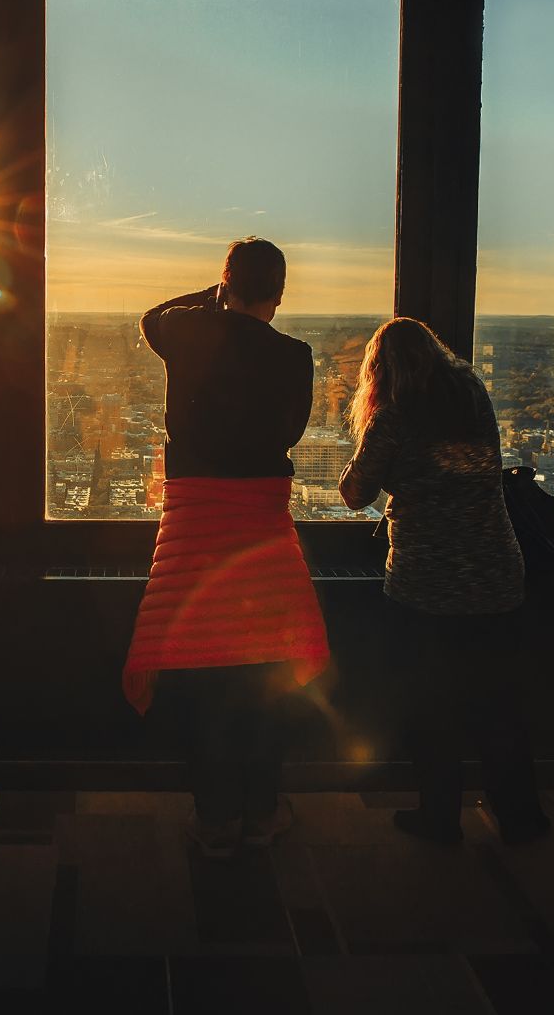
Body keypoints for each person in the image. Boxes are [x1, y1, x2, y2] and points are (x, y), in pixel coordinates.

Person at [121, 238, 330, 859]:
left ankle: (213, 820)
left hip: (194, 525)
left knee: (202, 673)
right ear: (280, 293)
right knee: (266, 672)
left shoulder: (192, 333)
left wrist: (213, 298)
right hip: (262, 524)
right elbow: (291, 432)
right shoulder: (295, 356)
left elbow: (151, 318)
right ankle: (263, 812)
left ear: (225, 283)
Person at [338, 317, 550, 845]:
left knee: (432, 710)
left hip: (426, 585)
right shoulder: (473, 398)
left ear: (380, 370)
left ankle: (439, 819)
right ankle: (520, 817)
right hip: (497, 572)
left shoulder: (391, 419)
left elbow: (353, 492)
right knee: (499, 705)